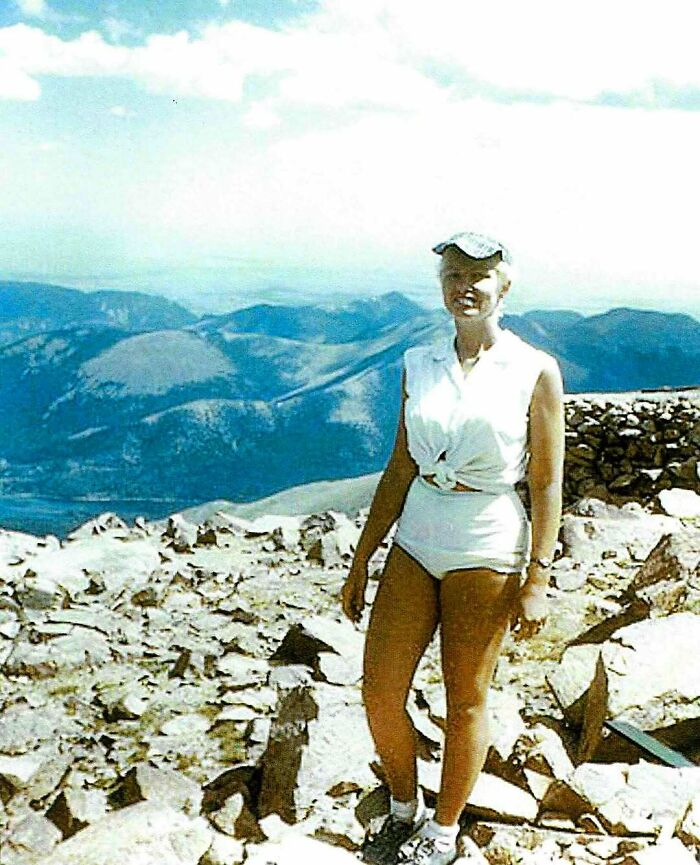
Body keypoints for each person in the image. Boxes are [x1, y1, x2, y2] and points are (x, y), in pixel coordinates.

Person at [340, 231, 565, 865]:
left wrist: (539, 578)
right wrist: (362, 557)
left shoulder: (534, 370)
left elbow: (546, 480)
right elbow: (401, 463)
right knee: (380, 688)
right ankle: (403, 805)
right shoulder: (418, 362)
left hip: (487, 534)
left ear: (505, 285)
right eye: (452, 274)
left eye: (479, 274)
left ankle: (442, 832)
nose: (464, 285)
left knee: (465, 694)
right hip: (419, 529)